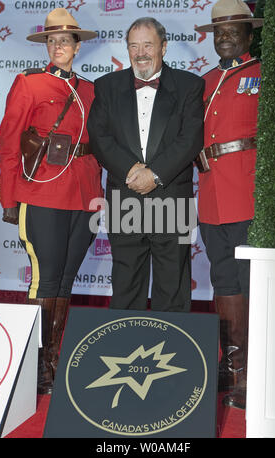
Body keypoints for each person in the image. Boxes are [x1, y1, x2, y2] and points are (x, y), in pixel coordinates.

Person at [0, 8, 103, 394]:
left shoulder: (91, 90)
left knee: (66, 279)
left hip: (84, 195)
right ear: (47, 46)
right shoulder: (28, 84)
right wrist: (9, 197)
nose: (59, 46)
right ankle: (37, 365)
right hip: (41, 191)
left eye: (66, 40)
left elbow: (98, 146)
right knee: (45, 279)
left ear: (77, 46)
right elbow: (9, 144)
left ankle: (54, 359)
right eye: (52, 40)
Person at [87, 17, 204, 313]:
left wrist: (154, 174)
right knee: (126, 285)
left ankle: (174, 354)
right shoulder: (106, 86)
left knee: (173, 287)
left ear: (163, 47)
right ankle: (125, 352)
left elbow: (190, 139)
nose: (141, 52)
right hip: (124, 197)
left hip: (173, 198)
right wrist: (131, 171)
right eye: (133, 45)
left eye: (148, 45)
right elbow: (100, 138)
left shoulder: (190, 86)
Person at [195, 0, 263, 409]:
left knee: (248, 282)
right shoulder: (203, 81)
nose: (225, 38)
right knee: (223, 282)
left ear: (249, 35)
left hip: (247, 192)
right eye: (219, 32)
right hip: (211, 196)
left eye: (233, 31)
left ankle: (252, 371)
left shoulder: (263, 75)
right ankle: (232, 366)